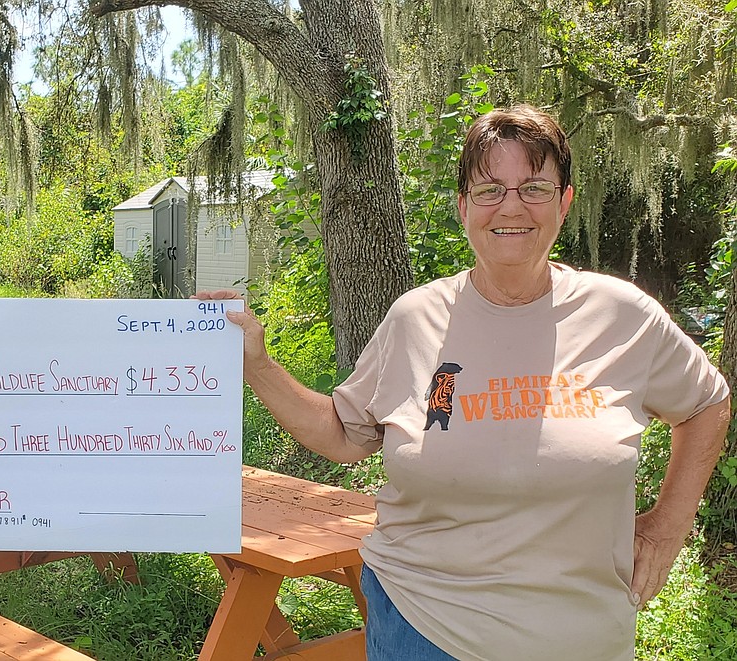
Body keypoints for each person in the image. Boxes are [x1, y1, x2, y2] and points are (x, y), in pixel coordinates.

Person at [198, 104, 730, 660]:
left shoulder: (622, 317)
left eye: (534, 188)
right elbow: (343, 433)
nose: (511, 207)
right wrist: (256, 364)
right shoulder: (415, 319)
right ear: (464, 207)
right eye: (489, 190)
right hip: (423, 628)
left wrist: (669, 525)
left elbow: (707, 402)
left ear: (565, 202)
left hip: (584, 639)